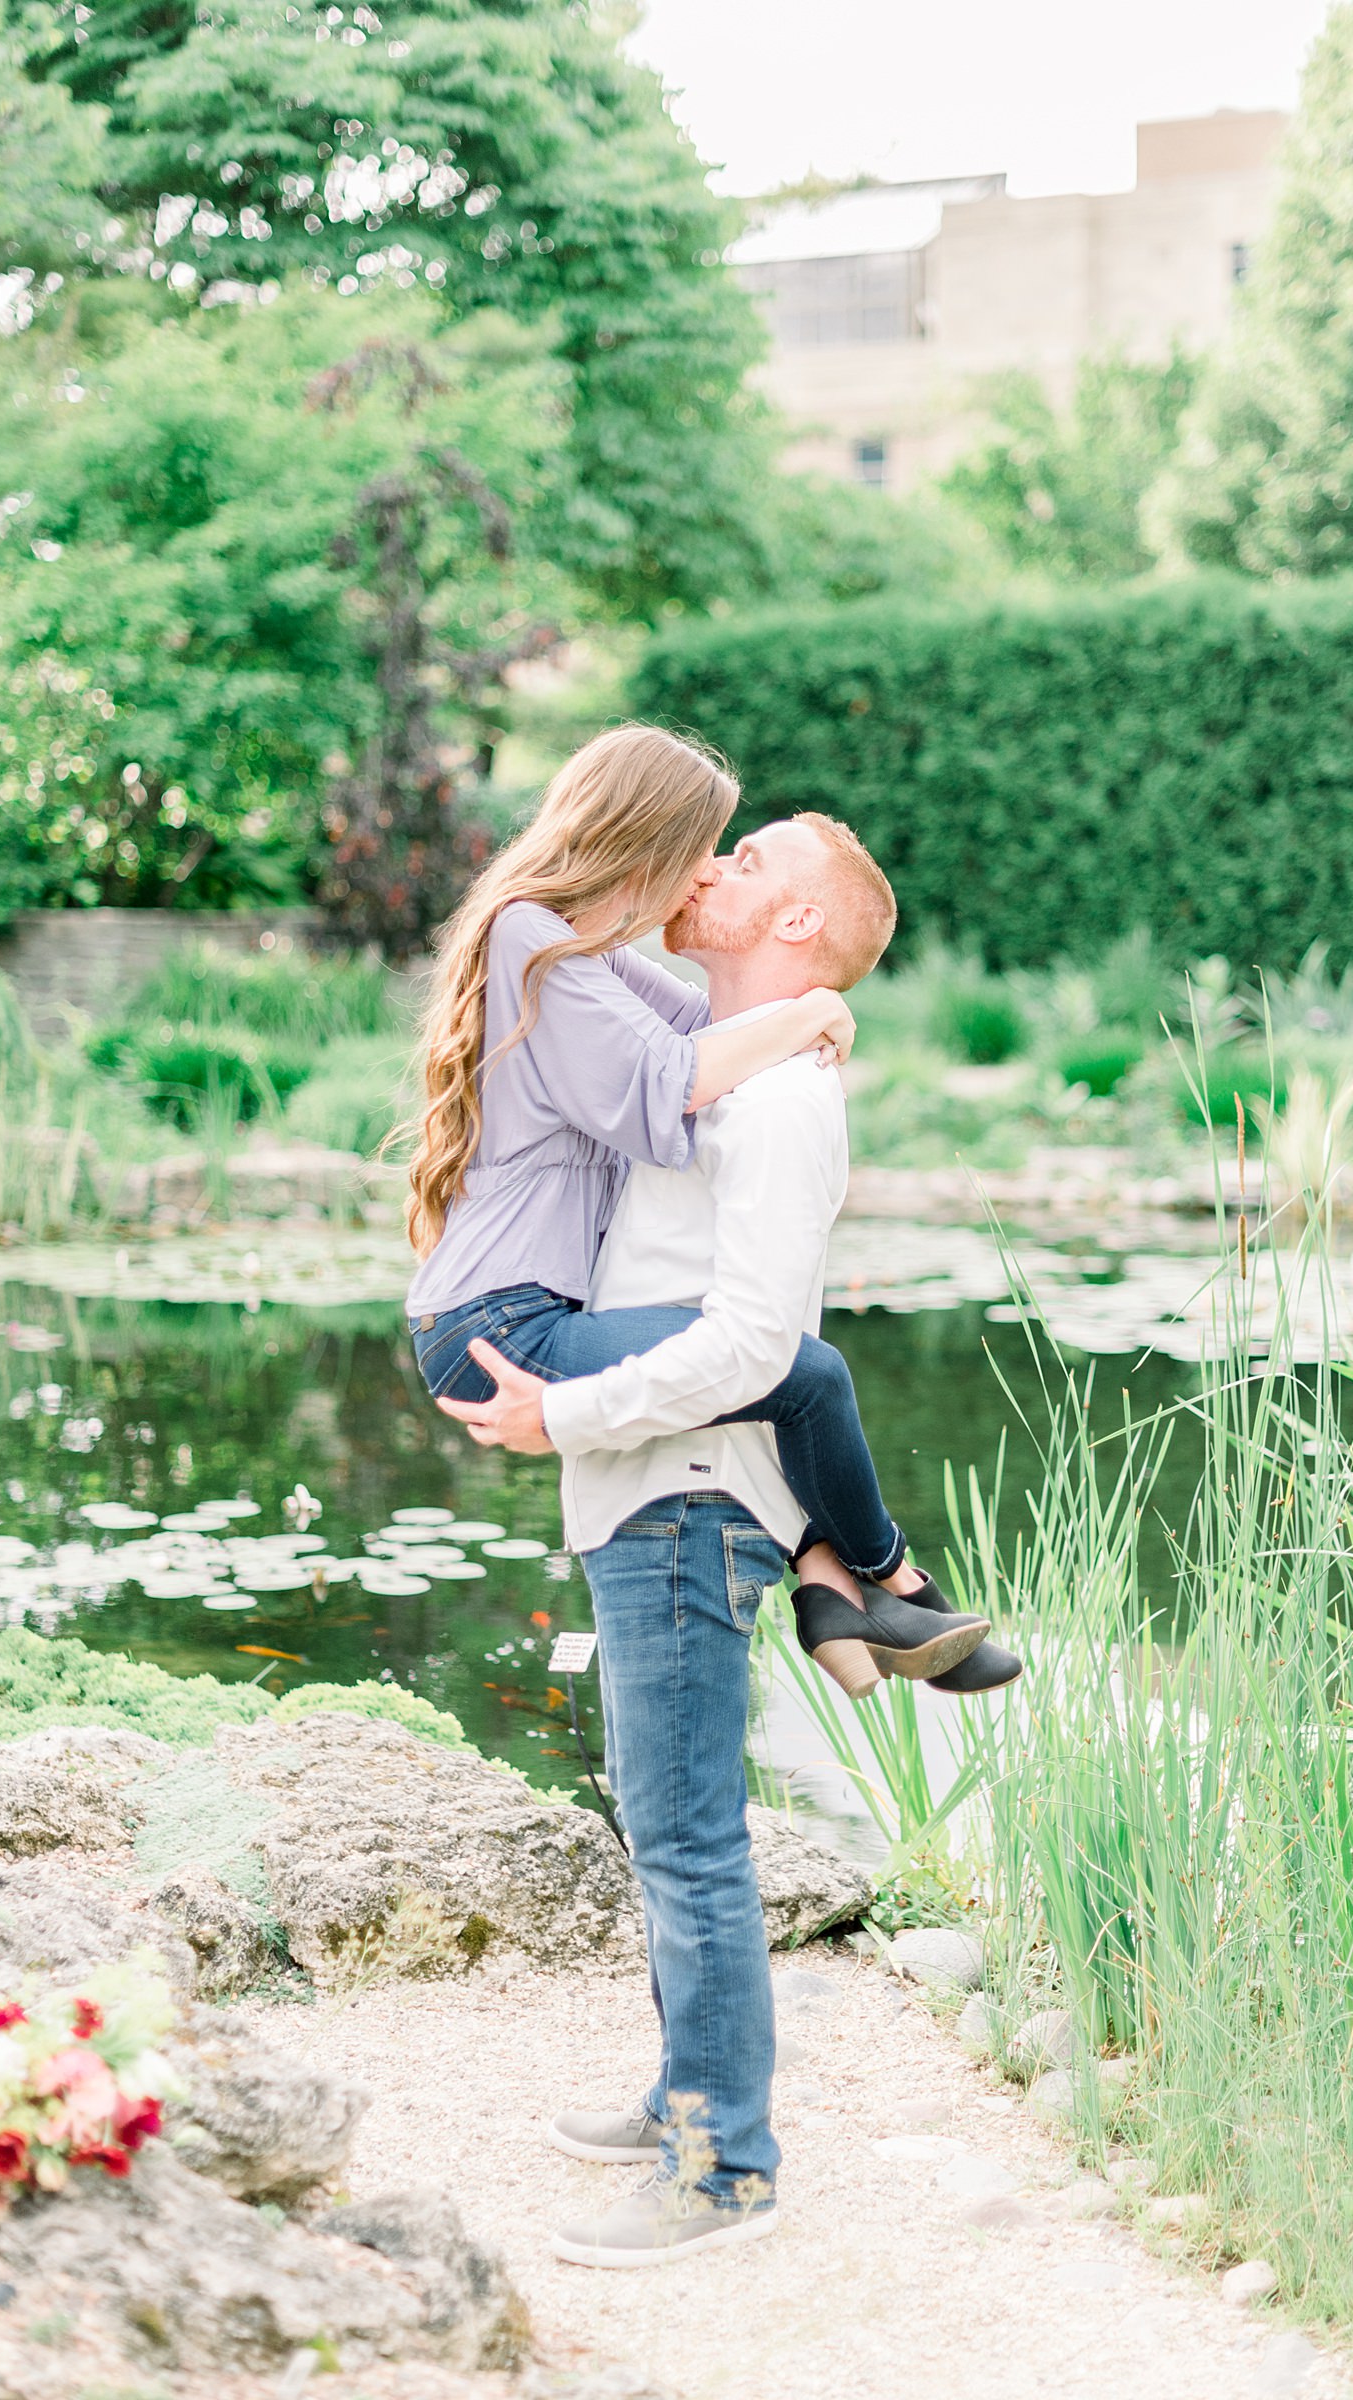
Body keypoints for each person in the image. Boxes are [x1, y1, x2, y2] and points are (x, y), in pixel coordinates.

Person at [440, 811, 1021, 2268]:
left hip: (687, 1492)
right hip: (664, 1484)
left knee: (690, 1836)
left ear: (804, 926)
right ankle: (680, 2097)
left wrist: (559, 1419)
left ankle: (723, 2169)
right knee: (665, 1820)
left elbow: (762, 1342)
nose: (712, 869)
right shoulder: (719, 1063)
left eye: (748, 859)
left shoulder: (777, 1104)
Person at [405, 721, 1002, 1694]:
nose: (708, 873)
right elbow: (677, 1073)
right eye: (704, 850)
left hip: (517, 1311)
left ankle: (828, 1588)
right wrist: (810, 1014)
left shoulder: (590, 958)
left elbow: (714, 1027)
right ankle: (894, 1579)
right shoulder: (531, 934)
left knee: (770, 1384)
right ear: (645, 839)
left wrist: (796, 1003)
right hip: (495, 1321)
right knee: (804, 1375)